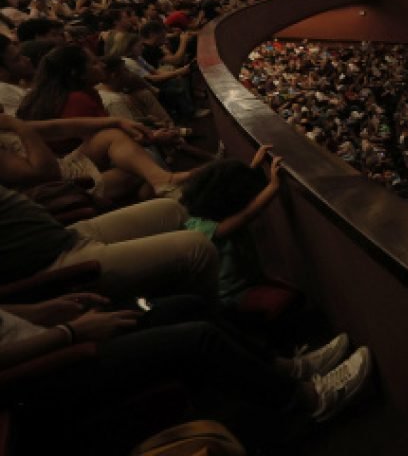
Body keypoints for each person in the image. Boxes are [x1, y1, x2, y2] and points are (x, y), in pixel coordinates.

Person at [0, 297, 372, 428]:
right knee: (197, 337)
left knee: (185, 306)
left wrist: (40, 310)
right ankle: (311, 399)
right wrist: (71, 332)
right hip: (40, 377)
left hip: (48, 337)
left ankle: (290, 368)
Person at [0, 184, 218, 299]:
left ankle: (179, 298)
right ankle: (215, 314)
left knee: (170, 209)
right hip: (51, 263)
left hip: (62, 233)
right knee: (196, 247)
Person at [179, 146, 284, 304]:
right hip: (230, 296)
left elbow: (228, 188)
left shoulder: (201, 216)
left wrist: (253, 166)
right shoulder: (205, 228)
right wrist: (273, 187)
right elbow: (247, 214)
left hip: (247, 281)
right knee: (288, 301)